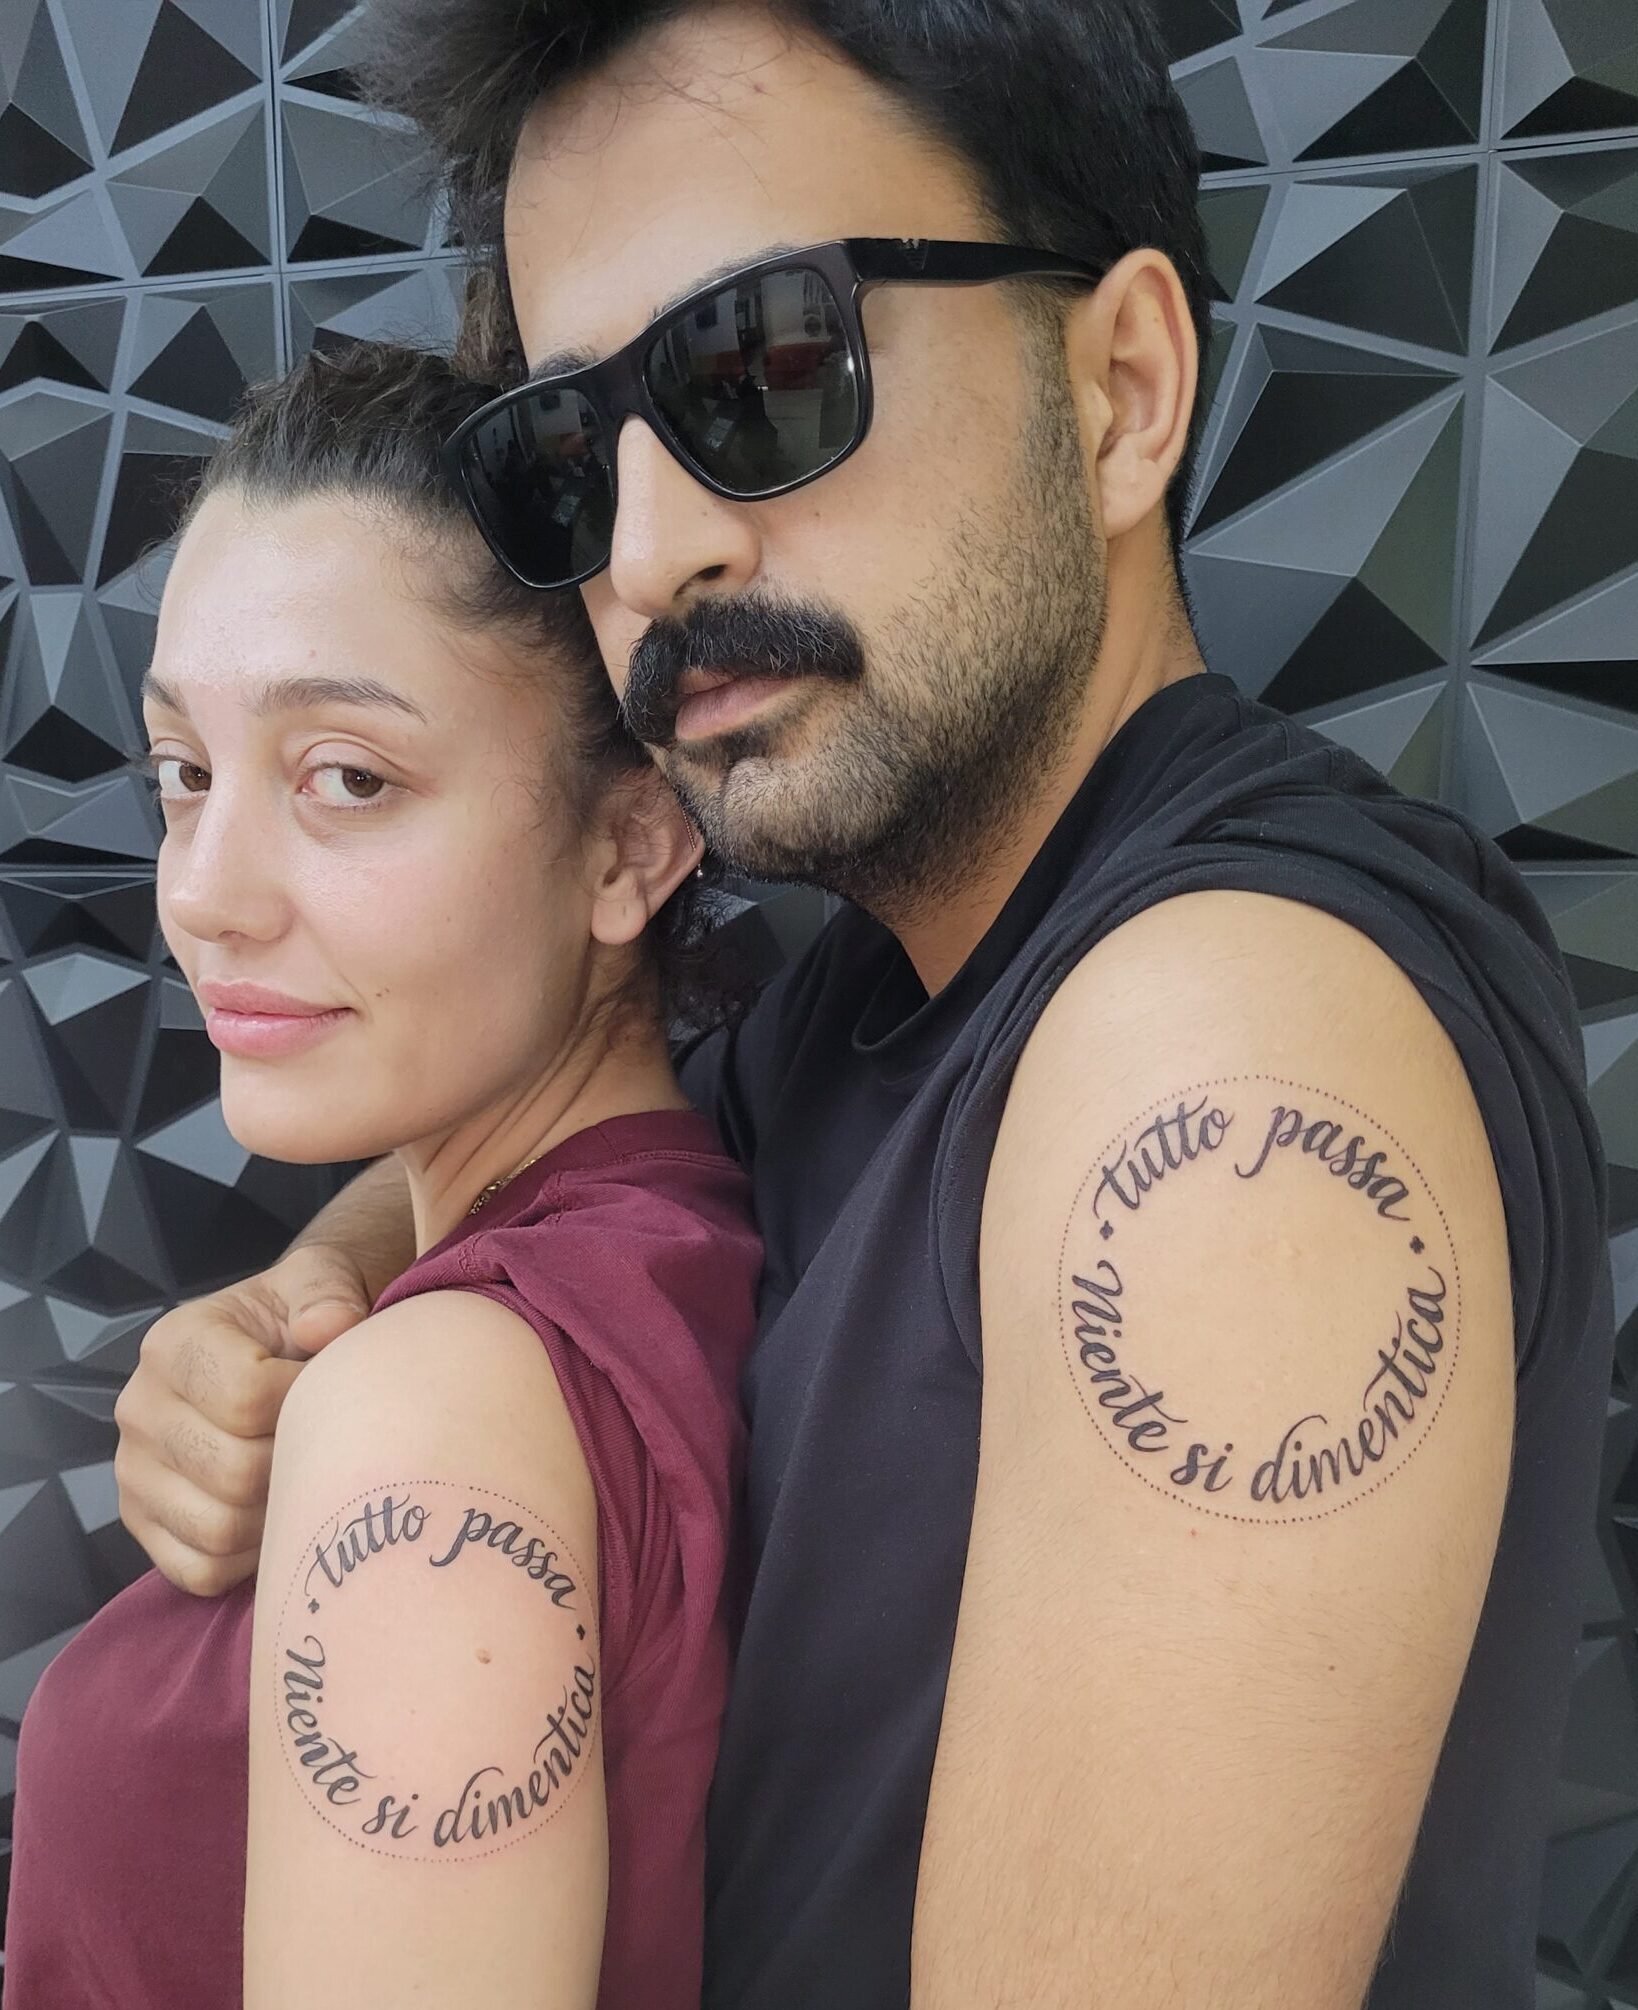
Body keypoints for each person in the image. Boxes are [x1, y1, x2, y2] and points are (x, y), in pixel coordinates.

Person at [108, 4, 1614, 2007]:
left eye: (763, 371)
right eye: (572, 452)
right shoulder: (871, 999)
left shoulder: (1218, 1054)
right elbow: (571, 1148)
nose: (652, 549)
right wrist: (303, 1297)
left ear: (1120, 390)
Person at [5, 341, 762, 2010]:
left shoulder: (432, 1413)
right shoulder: (671, 1238)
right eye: (184, 773)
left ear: (630, 843)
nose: (204, 893)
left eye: (346, 777)